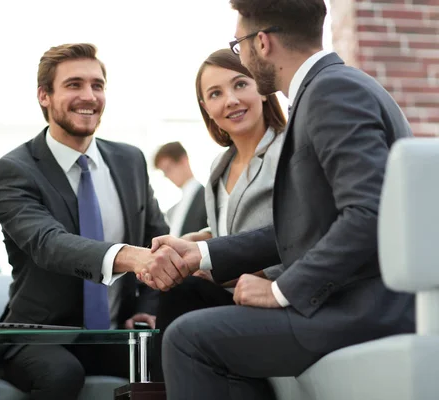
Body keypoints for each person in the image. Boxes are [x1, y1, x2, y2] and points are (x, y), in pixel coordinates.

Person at [141, 1, 416, 398]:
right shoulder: (332, 87)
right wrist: (200, 254)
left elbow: (369, 213)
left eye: (240, 46)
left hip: (361, 309)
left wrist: (280, 290)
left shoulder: (330, 91)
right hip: (354, 301)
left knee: (188, 338)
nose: (243, 58)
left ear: (262, 42)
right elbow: (305, 227)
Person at [0, 43, 180, 400]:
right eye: (74, 84)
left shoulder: (129, 161)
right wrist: (129, 256)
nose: (88, 96)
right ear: (44, 95)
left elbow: (158, 240)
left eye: (97, 85)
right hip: (39, 334)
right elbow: (50, 244)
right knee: (62, 376)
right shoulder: (14, 171)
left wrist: (145, 308)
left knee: (178, 358)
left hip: (115, 330)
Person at [150, 48, 287, 382]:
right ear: (206, 110)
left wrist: (211, 266)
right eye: (215, 94)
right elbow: (231, 228)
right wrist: (197, 240)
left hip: (271, 295)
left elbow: (297, 232)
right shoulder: (219, 167)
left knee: (180, 293)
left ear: (262, 89)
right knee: (169, 284)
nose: (230, 100)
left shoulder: (288, 151)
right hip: (226, 298)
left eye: (240, 84)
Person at [154, 141, 207, 237]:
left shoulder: (207, 198)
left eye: (168, 168)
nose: (168, 176)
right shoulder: (172, 211)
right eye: (164, 172)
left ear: (184, 160)